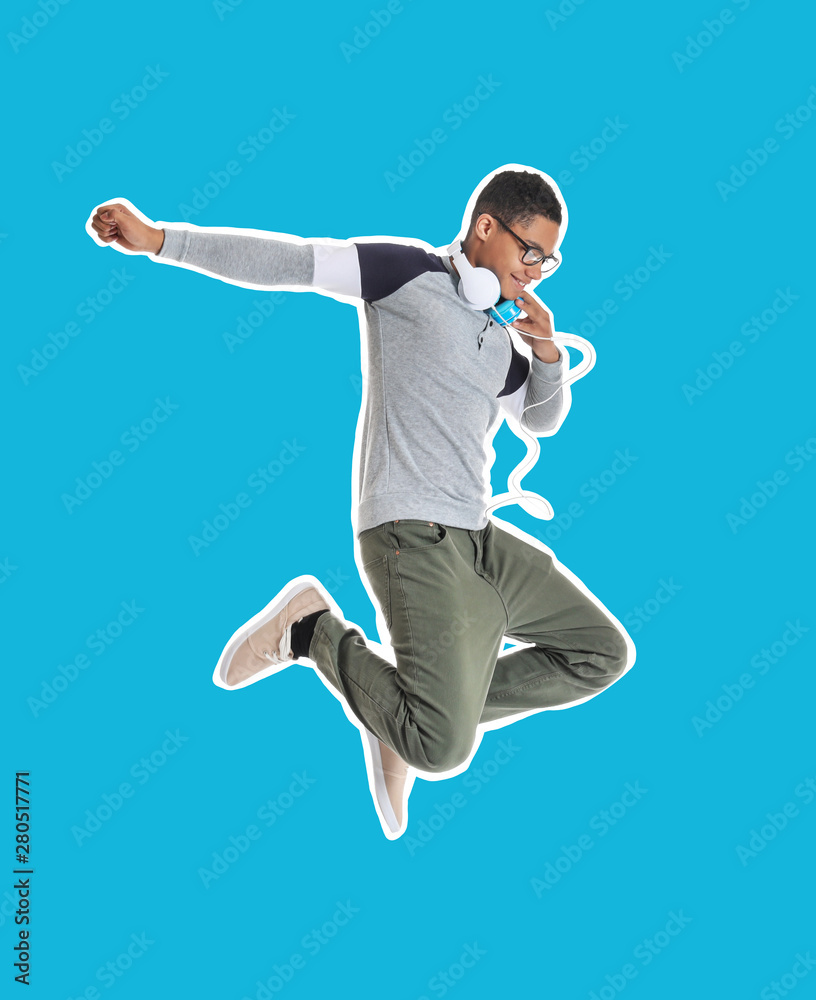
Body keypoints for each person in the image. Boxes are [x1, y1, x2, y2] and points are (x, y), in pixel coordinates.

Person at [87, 166, 635, 840]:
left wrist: (545, 348)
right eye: (531, 251)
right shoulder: (405, 275)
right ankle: (310, 629)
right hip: (410, 533)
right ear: (487, 226)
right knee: (442, 750)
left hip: (480, 539)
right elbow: (289, 261)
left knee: (601, 653)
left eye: (549, 259)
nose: (540, 269)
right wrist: (163, 241)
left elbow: (542, 418)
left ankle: (396, 712)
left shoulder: (502, 335)